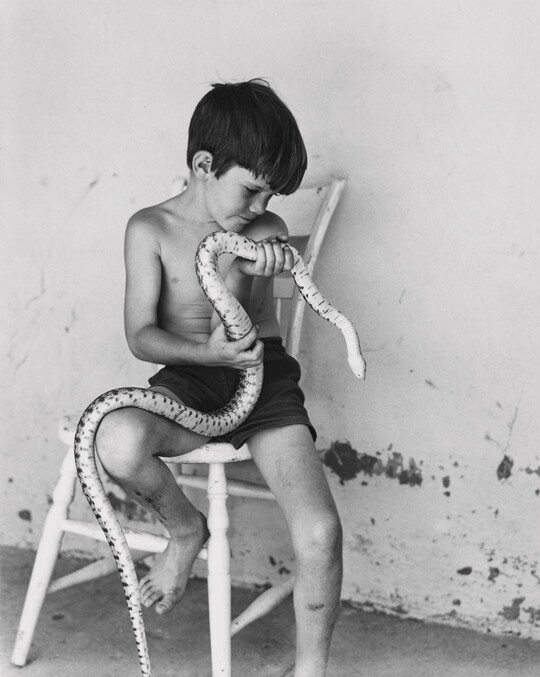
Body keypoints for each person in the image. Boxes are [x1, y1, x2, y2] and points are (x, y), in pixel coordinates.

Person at [96, 79, 343, 677]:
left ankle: (311, 668)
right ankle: (185, 531)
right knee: (117, 441)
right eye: (253, 188)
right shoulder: (147, 229)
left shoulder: (261, 229)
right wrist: (209, 359)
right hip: (192, 379)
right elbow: (141, 337)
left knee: (320, 531)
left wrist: (262, 260)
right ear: (204, 165)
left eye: (272, 195)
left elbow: (240, 309)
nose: (262, 206)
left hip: (265, 383)